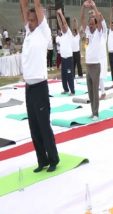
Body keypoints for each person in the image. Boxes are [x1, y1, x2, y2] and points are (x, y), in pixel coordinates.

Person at [19, 0, 59, 173]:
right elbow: (24, 9)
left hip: (40, 87)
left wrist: (35, 4)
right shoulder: (29, 31)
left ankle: (53, 159)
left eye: (33, 19)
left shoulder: (43, 32)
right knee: (34, 126)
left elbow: (37, 8)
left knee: (44, 125)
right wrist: (23, 4)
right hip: (28, 87)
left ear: (40, 19)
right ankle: (41, 160)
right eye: (29, 19)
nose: (30, 21)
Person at [80, 0, 103, 120]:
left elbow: (99, 19)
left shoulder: (99, 33)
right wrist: (83, 7)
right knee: (89, 90)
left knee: (95, 90)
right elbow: (82, 18)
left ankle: (96, 113)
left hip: (95, 65)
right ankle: (92, 111)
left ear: (96, 24)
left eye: (92, 24)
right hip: (88, 65)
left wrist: (94, 6)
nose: (90, 25)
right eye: (89, 24)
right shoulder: (88, 32)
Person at [56, 8, 75, 96]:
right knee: (63, 75)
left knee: (69, 75)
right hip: (63, 59)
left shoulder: (69, 33)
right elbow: (60, 23)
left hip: (69, 59)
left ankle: (72, 91)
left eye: (64, 26)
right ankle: (66, 89)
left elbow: (64, 23)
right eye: (62, 27)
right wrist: (57, 15)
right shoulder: (62, 35)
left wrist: (61, 13)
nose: (62, 27)